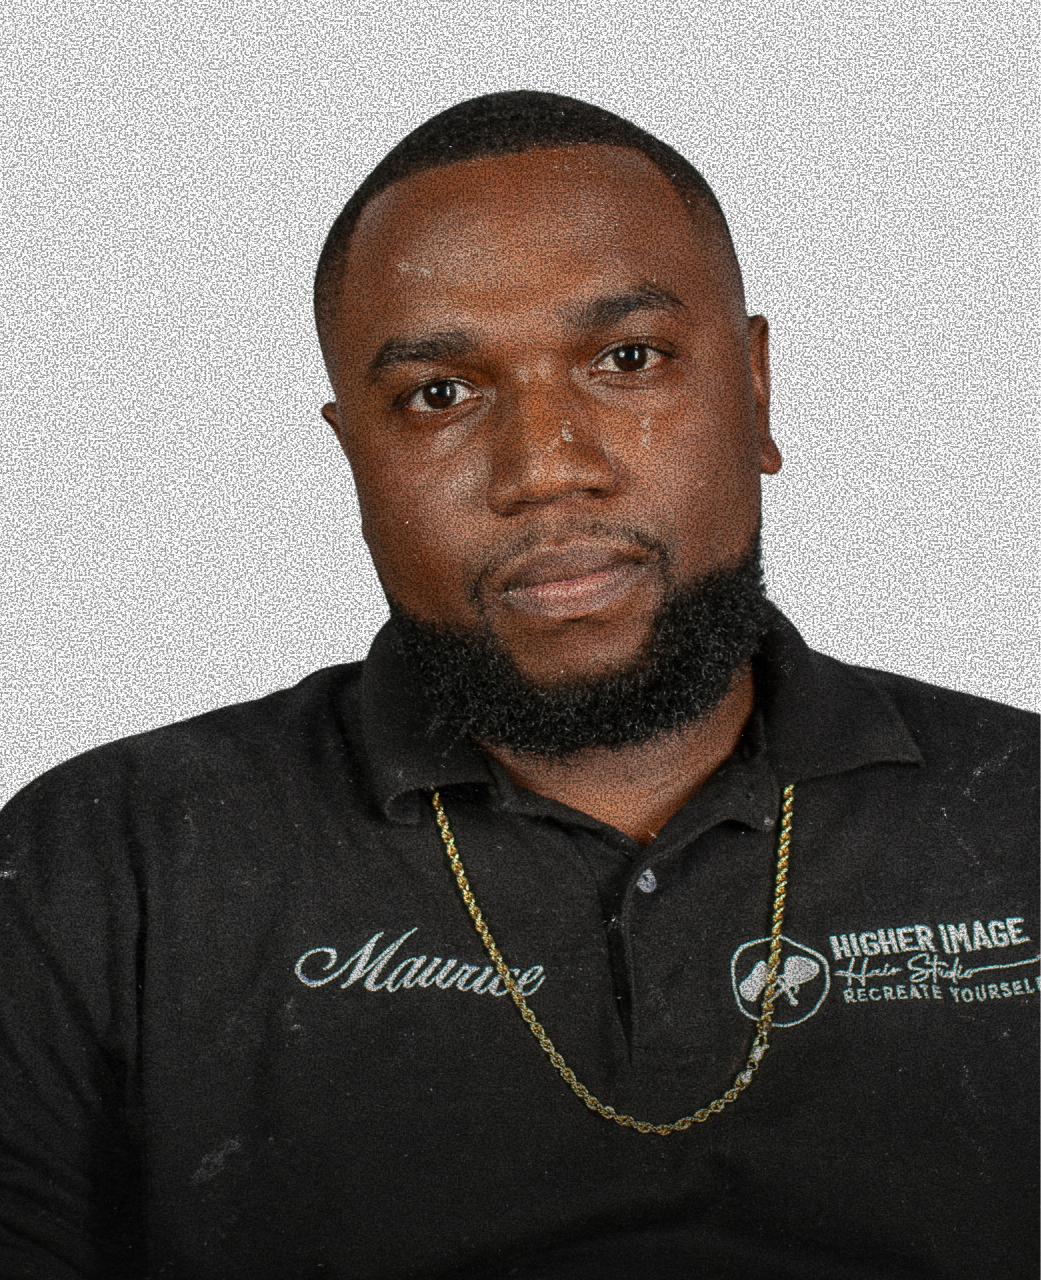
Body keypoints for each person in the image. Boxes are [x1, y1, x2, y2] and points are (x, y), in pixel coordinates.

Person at [0, 90, 1037, 1280]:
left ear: (755, 390)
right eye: (440, 394)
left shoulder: (1020, 815)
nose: (547, 467)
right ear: (355, 455)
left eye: (628, 359)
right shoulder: (109, 861)